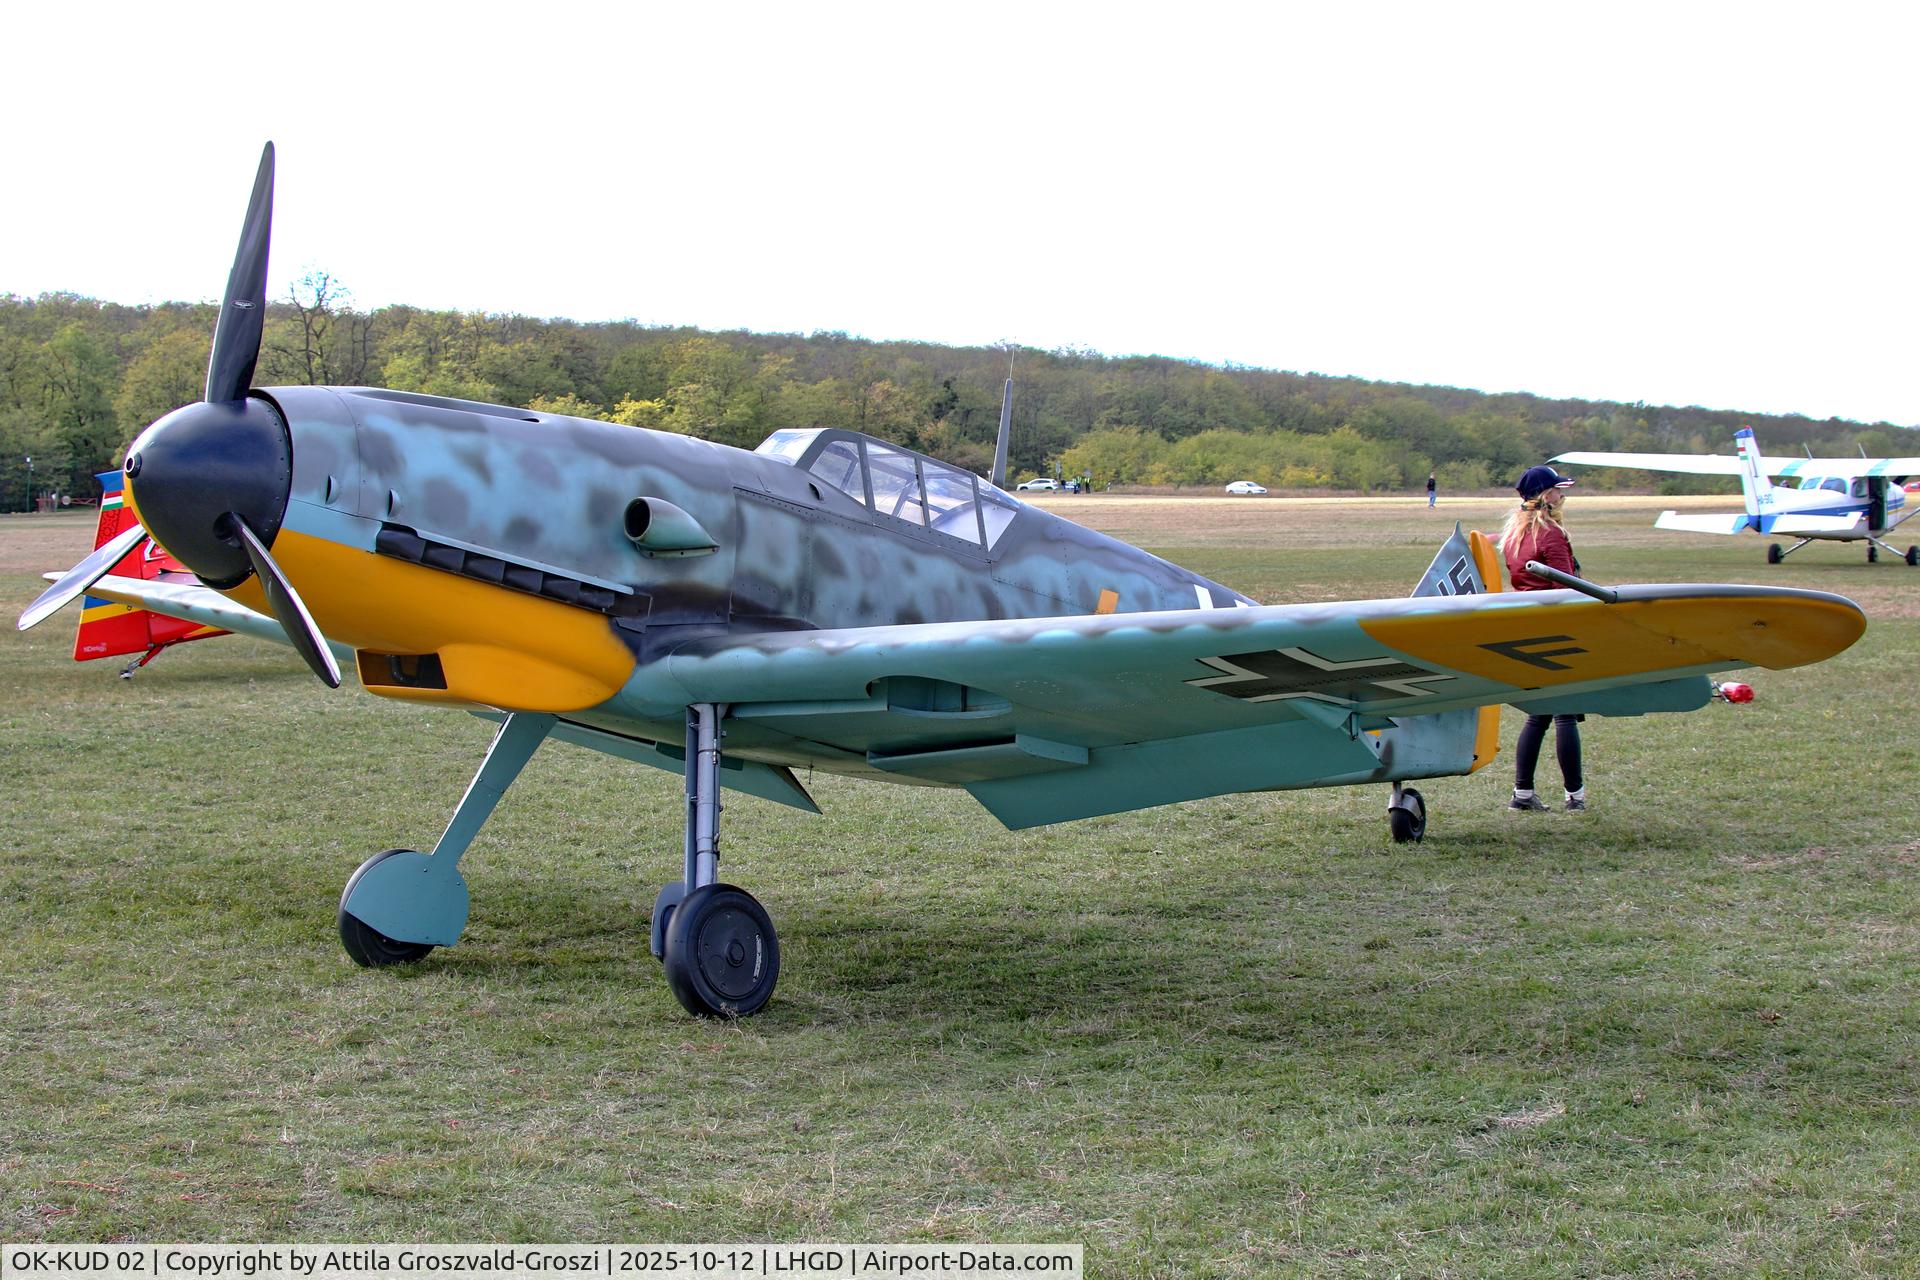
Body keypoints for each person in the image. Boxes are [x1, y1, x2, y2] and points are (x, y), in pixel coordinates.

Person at [1501, 464, 1586, 812]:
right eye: (1558, 489)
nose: (1563, 494)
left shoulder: (1514, 536)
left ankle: (1523, 794)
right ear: (1545, 495)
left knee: (1538, 714)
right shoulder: (1550, 534)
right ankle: (1575, 797)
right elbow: (1568, 588)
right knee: (1566, 713)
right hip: (1557, 628)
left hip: (1528, 629)